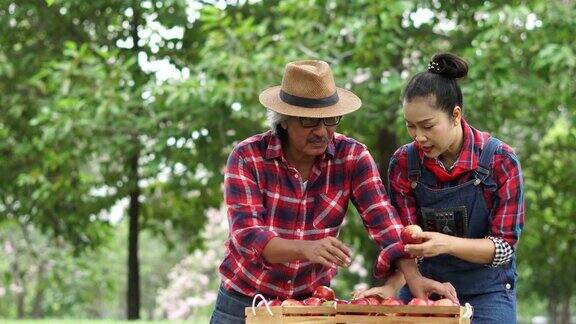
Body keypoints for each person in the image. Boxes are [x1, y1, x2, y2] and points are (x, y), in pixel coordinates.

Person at [210, 60, 458, 324]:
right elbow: (248, 237)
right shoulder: (248, 157)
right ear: (283, 121)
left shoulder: (352, 156)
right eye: (309, 122)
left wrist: (413, 277)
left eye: (330, 120)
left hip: (311, 306)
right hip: (244, 301)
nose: (321, 131)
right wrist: (306, 249)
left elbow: (383, 221)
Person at [355, 53, 524, 323]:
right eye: (410, 126)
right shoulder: (403, 163)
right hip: (426, 286)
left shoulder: (500, 161)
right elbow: (404, 242)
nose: (419, 137)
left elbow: (504, 248)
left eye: (428, 126)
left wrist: (445, 243)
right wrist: (391, 287)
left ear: (455, 115)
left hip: (488, 293)